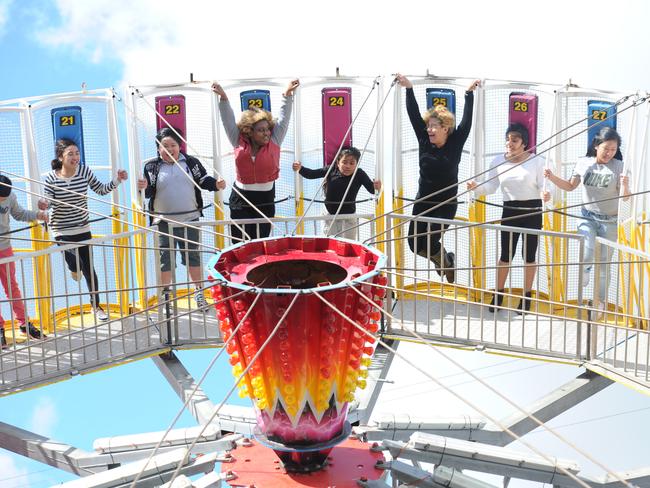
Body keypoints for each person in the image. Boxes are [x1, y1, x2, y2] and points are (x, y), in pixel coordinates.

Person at [396, 74, 480, 283]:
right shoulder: (424, 139)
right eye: (428, 126)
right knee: (415, 245)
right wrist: (409, 89)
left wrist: (469, 95)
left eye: (434, 126)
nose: (429, 130)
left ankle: (444, 260)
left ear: (445, 128)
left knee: (430, 239)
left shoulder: (456, 141)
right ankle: (445, 260)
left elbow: (467, 122)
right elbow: (413, 115)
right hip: (422, 201)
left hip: (445, 204)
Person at [137, 127, 225, 310]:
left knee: (193, 257)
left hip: (190, 218)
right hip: (163, 222)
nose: (169, 149)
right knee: (165, 259)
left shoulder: (191, 162)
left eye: (173, 145)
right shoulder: (152, 167)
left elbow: (203, 180)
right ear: (158, 148)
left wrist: (216, 185)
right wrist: (142, 187)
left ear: (180, 146)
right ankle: (167, 297)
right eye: (165, 146)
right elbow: (147, 193)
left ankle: (199, 293)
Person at [467, 123, 551, 314]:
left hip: (533, 211)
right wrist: (475, 186)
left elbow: (543, 187)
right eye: (508, 139)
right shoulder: (498, 162)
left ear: (524, 143)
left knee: (528, 256)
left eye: (515, 140)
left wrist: (547, 195)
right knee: (506, 255)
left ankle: (527, 295)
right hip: (510, 211)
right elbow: (490, 188)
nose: (510, 143)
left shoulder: (537, 161)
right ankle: (499, 293)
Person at [544, 127, 631, 309]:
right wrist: (551, 177)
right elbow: (569, 186)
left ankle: (598, 302)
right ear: (596, 146)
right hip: (587, 217)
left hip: (610, 221)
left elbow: (625, 198)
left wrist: (625, 185)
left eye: (613, 150)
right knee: (587, 251)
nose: (609, 153)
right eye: (606, 148)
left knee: (603, 266)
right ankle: (584, 269)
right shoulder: (584, 163)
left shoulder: (619, 167)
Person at [42, 138, 127, 322]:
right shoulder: (51, 178)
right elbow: (47, 201)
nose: (75, 157)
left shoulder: (84, 171)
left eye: (77, 153)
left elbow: (101, 189)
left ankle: (96, 306)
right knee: (75, 262)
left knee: (89, 269)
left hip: (82, 227)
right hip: (61, 229)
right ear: (61, 157)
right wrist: (43, 207)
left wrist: (117, 180)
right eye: (70, 154)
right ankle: (73, 268)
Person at [211, 79, 299, 241]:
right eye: (260, 130)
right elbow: (227, 120)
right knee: (240, 242)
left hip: (265, 199)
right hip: (241, 197)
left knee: (260, 241)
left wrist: (287, 94)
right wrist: (223, 97)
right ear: (249, 131)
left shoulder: (274, 140)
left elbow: (284, 120)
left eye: (267, 129)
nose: (266, 133)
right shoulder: (237, 140)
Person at [0, 175, 49, 347]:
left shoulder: (10, 196)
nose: (3, 201)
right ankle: (0, 329)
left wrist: (38, 215)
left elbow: (19, 214)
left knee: (12, 287)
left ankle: (24, 324)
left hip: (4, 248)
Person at [292, 146, 381, 240]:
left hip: (349, 217)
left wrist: (376, 186)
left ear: (356, 165)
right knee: (329, 243)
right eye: (344, 162)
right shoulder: (331, 170)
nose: (348, 166)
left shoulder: (359, 174)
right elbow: (312, 174)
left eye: (352, 163)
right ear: (338, 162)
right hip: (330, 216)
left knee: (349, 244)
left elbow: (371, 189)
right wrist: (300, 168)